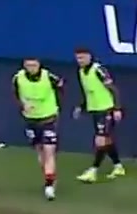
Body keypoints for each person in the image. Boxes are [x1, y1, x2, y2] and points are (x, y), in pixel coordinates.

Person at [12, 57, 65, 199]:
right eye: (28, 65)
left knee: (49, 151)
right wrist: (23, 105)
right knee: (40, 152)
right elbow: (15, 95)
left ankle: (49, 186)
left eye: (34, 65)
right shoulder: (18, 78)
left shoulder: (49, 76)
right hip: (30, 119)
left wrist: (57, 107)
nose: (31, 68)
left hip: (48, 118)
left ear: (39, 65)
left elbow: (61, 89)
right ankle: (50, 177)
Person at [72, 47, 124, 184]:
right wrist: (81, 107)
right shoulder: (81, 72)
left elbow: (113, 89)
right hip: (95, 110)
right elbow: (88, 92)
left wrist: (117, 108)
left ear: (89, 56)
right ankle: (118, 166)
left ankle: (93, 170)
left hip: (106, 109)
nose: (80, 61)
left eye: (82, 58)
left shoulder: (99, 70)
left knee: (101, 140)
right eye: (78, 58)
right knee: (107, 141)